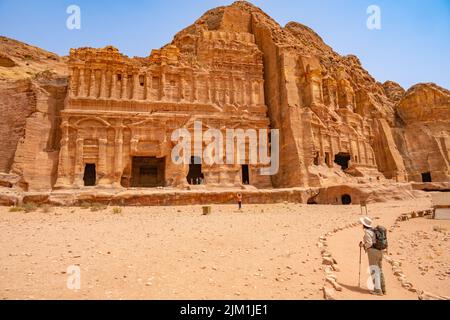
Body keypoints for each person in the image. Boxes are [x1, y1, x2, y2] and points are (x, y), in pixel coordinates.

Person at [359, 216, 386, 296]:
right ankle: (383, 288)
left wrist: (363, 245)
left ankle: (378, 290)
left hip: (373, 252)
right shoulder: (374, 230)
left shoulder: (367, 232)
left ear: (364, 225)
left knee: (374, 270)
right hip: (380, 251)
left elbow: (369, 243)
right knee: (380, 270)